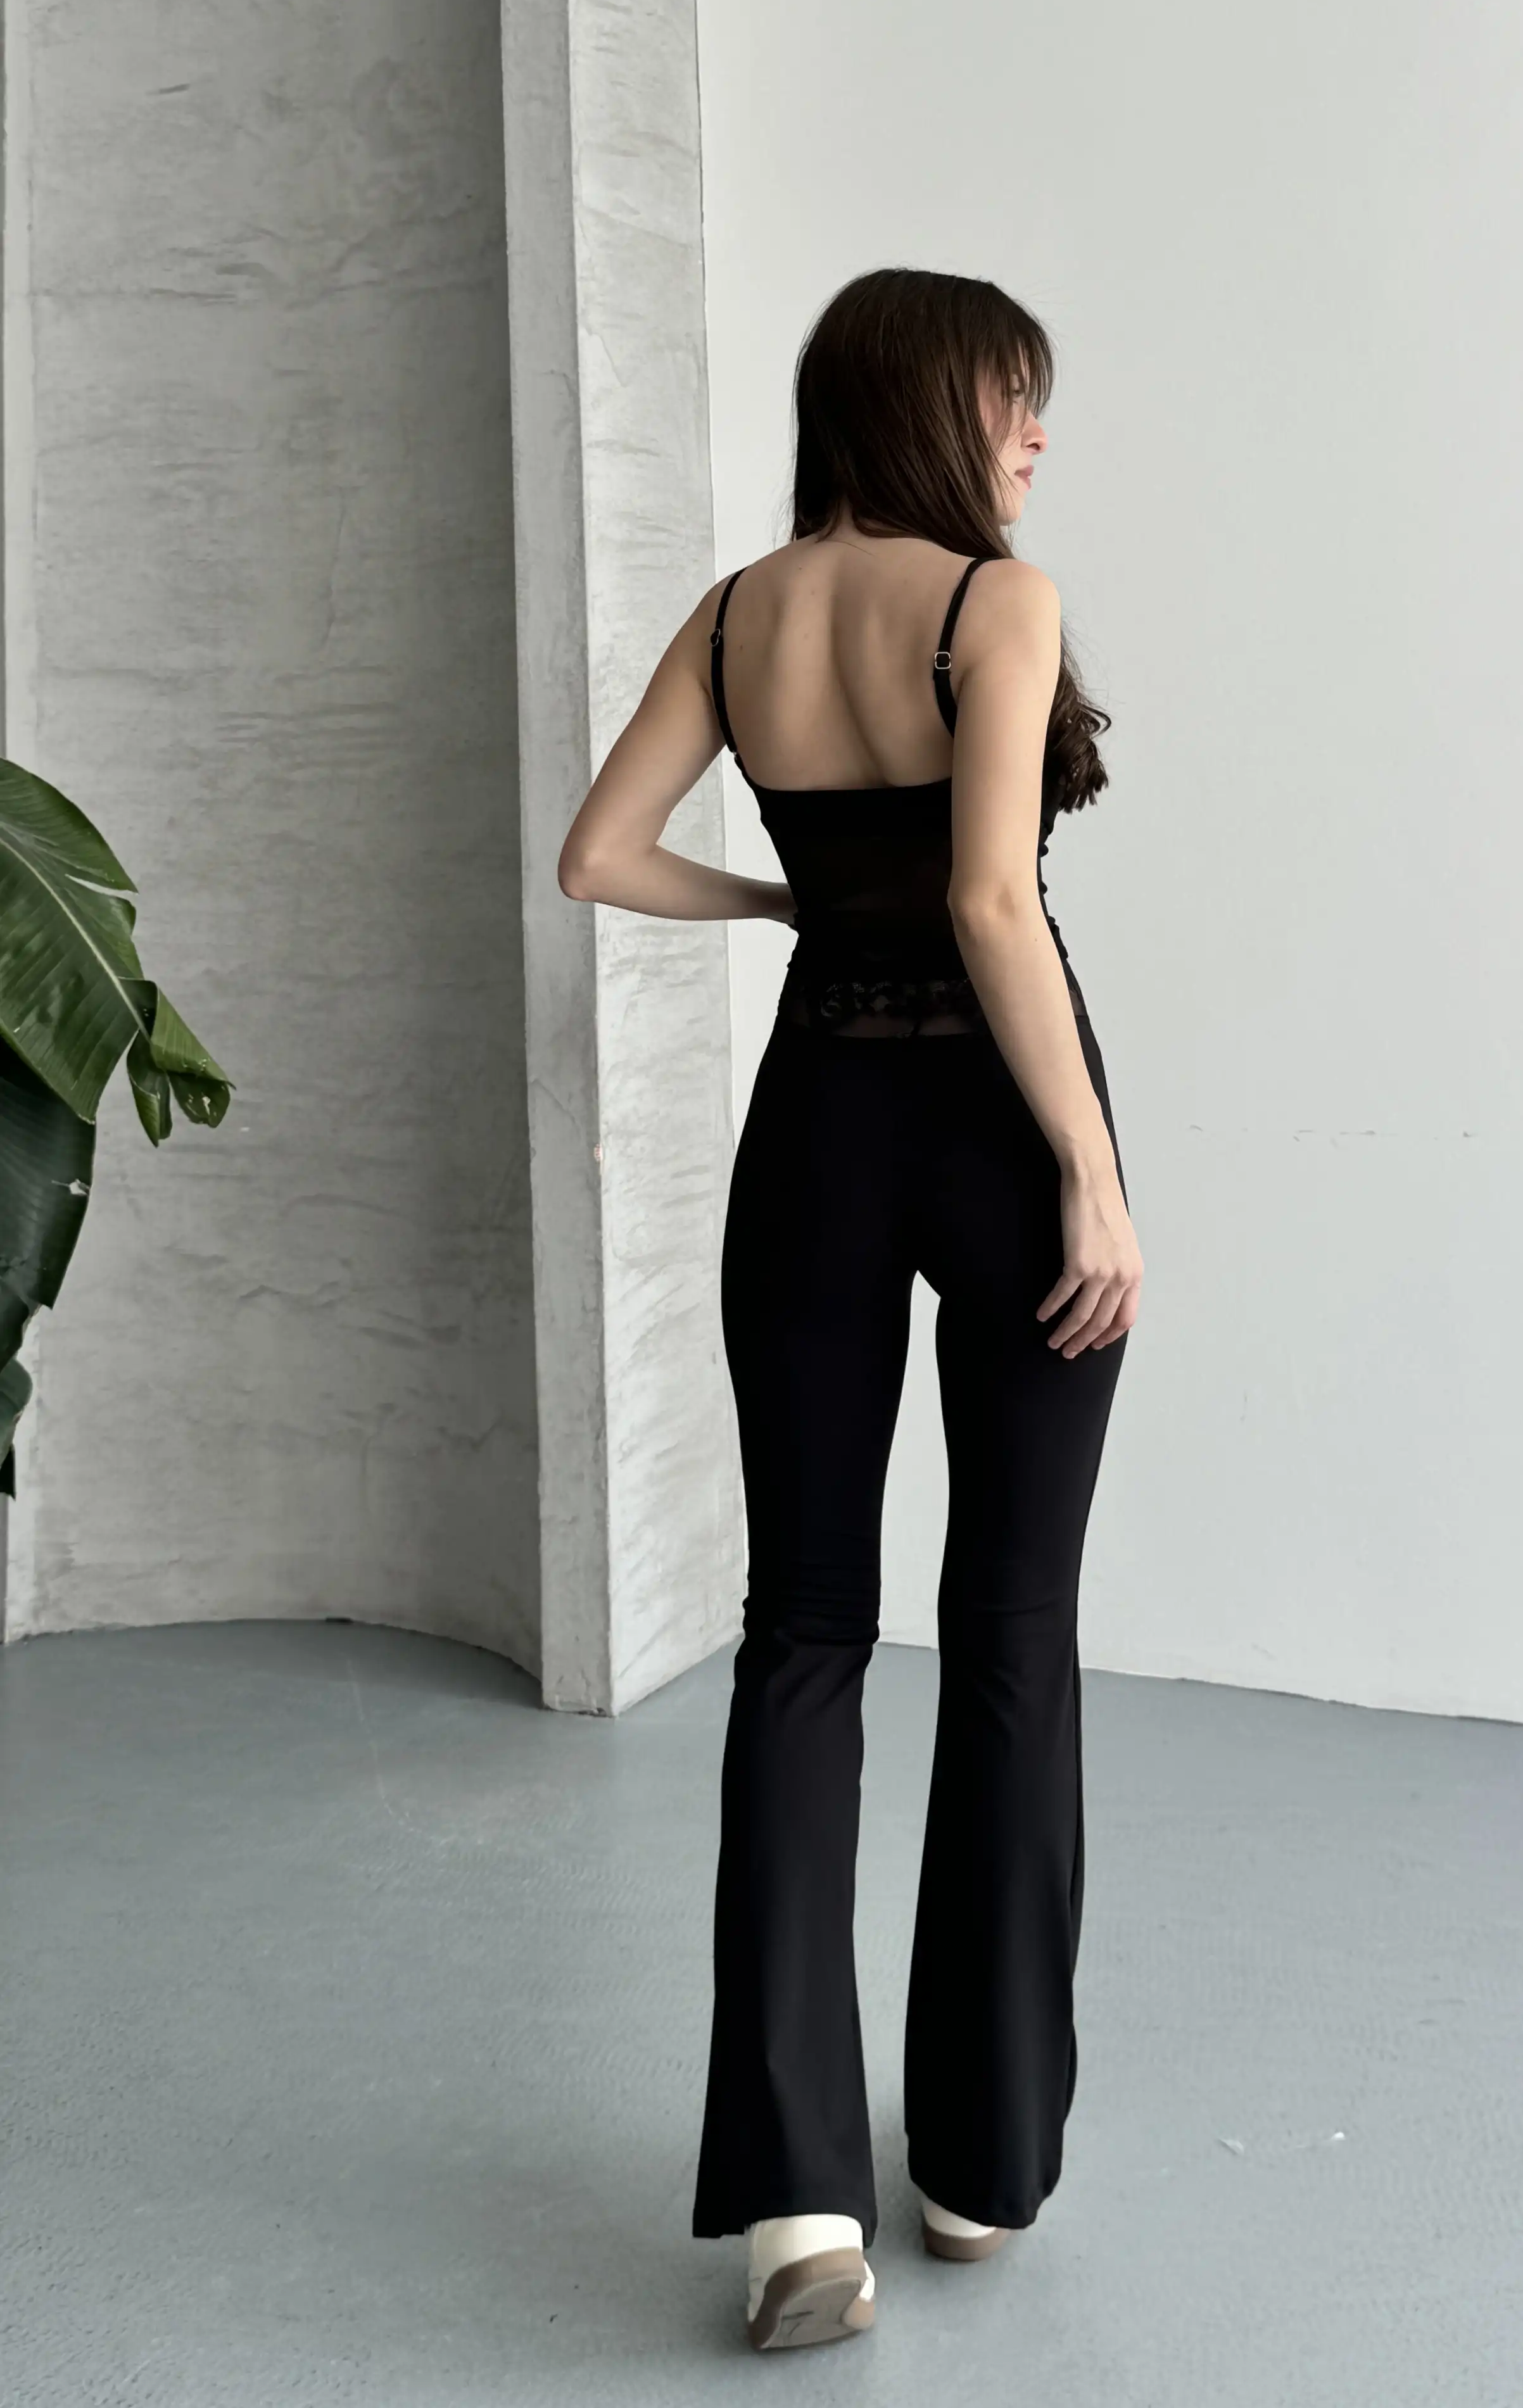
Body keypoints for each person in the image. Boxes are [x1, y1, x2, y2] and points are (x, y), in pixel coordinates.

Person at [557, 266, 1142, 2352]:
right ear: (927, 405)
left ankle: (801, 2208)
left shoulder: (741, 614)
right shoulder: (997, 604)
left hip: (815, 1125)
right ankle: (978, 2161)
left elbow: (601, 857)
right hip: (996, 1130)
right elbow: (991, 902)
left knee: (803, 1632)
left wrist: (789, 898)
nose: (1034, 438)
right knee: (1012, 1626)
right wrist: (1087, 1171)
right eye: (1012, 399)